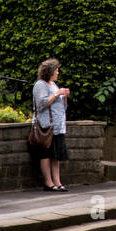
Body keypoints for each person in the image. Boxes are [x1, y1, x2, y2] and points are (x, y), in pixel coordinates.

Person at [32, 58, 70, 192]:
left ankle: (57, 181)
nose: (58, 73)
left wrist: (63, 97)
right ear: (50, 71)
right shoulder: (40, 85)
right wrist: (57, 94)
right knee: (46, 154)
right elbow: (41, 104)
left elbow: (61, 107)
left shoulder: (53, 85)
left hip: (57, 126)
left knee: (56, 155)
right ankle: (48, 182)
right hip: (46, 125)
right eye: (56, 70)